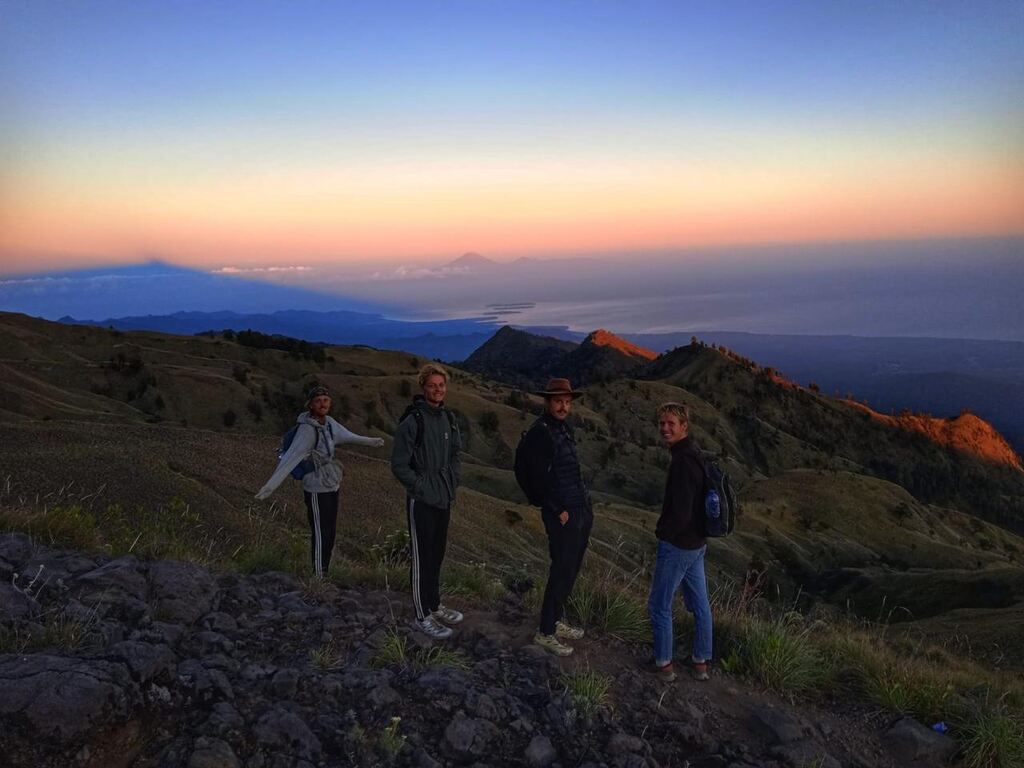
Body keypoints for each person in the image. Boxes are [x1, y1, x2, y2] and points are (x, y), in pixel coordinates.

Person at [256, 385, 385, 578]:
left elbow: (348, 435)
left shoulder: (329, 423)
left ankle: (324, 572)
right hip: (316, 486)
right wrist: (270, 486)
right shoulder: (307, 430)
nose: (322, 404)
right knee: (320, 530)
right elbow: (291, 458)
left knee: (330, 530)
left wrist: (371, 441)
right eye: (318, 401)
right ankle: (318, 576)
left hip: (331, 483)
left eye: (325, 400)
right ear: (310, 405)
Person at [518, 378, 591, 656]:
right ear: (547, 402)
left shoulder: (562, 428)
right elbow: (534, 478)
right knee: (561, 569)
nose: (563, 406)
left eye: (567, 402)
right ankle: (545, 632)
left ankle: (555, 620)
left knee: (570, 569)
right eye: (558, 401)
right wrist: (556, 509)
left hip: (579, 507)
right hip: (562, 512)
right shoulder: (541, 432)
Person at [391, 363, 463, 640]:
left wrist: (452, 480)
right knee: (422, 557)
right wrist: (421, 488)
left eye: (441, 385)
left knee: (437, 554)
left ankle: (434, 604)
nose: (437, 390)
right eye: (432, 385)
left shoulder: (448, 418)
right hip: (421, 500)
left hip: (443, 496)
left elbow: (456, 452)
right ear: (423, 387)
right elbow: (399, 465)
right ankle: (422, 615)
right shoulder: (413, 421)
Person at [647, 402, 713, 682]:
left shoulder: (682, 462)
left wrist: (664, 533)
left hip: (679, 545)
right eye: (662, 423)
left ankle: (663, 664)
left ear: (684, 426)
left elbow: (682, 511)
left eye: (671, 424)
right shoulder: (694, 454)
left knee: (659, 605)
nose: (665, 428)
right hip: (697, 543)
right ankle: (700, 662)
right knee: (700, 605)